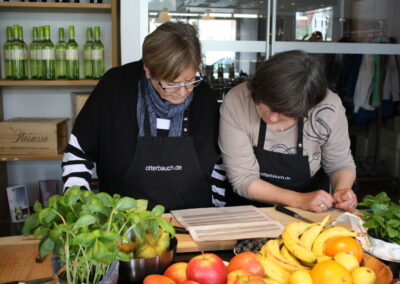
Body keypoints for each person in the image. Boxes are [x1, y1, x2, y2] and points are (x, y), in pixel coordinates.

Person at [62, 22, 220, 211]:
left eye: (190, 80)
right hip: (124, 224)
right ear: (148, 70)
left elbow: (219, 167)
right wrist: (79, 209)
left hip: (193, 223)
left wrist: (220, 217)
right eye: (172, 83)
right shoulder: (115, 87)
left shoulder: (203, 96)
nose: (183, 92)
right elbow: (77, 153)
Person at [219, 50, 357, 213]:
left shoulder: (327, 108)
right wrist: (298, 200)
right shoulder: (238, 100)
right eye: (267, 106)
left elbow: (339, 163)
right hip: (249, 211)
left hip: (311, 213)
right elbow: (242, 178)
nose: (273, 118)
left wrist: (342, 190)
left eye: (285, 113)